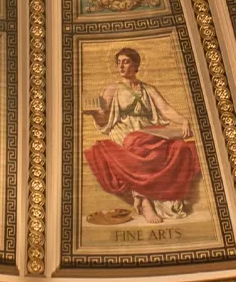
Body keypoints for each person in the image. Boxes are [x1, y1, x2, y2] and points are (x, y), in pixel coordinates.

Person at [81, 47, 202, 223]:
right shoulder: (113, 88)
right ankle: (145, 203)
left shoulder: (148, 89)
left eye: (126, 61)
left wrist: (183, 120)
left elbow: (166, 109)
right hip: (124, 132)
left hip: (149, 131)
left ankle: (169, 200)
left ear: (135, 64)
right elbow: (103, 115)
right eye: (119, 62)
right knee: (137, 147)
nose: (121, 66)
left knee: (180, 147)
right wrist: (93, 112)